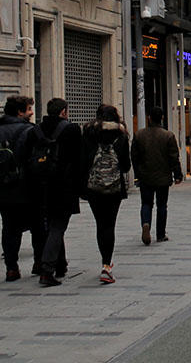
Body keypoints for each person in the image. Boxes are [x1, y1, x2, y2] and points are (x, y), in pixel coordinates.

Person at [24, 98, 81, 286]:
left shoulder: (35, 130)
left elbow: (25, 158)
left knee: (51, 226)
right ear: (63, 112)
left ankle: (60, 264)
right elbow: (79, 159)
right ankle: (47, 269)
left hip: (39, 186)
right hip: (63, 186)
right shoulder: (72, 129)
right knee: (57, 227)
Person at [81, 104, 131, 284]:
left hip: (94, 187)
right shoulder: (121, 135)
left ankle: (105, 261)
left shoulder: (88, 133)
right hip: (114, 188)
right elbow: (126, 166)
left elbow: (83, 161)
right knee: (110, 225)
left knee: (100, 225)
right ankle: (106, 266)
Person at [131, 106, 183, 246]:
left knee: (146, 203)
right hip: (163, 177)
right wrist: (177, 174)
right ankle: (160, 234)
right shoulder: (168, 136)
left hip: (145, 176)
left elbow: (134, 157)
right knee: (161, 205)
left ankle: (146, 223)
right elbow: (174, 157)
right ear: (162, 118)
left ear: (149, 118)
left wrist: (137, 174)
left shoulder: (139, 135)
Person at [0, 96, 37, 281]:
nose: (31, 112)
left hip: (3, 189)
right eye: (29, 109)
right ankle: (39, 264)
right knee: (37, 226)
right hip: (26, 187)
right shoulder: (29, 131)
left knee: (9, 228)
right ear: (20, 112)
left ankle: (11, 268)